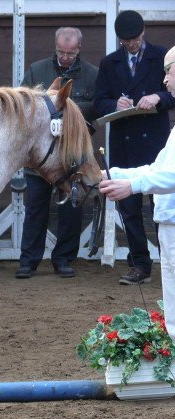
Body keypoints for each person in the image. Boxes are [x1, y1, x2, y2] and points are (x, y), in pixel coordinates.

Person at [99, 45, 175, 361]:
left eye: (169, 71)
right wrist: (110, 173)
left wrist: (131, 185)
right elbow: (158, 168)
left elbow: (169, 176)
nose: (166, 80)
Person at [94, 10, 175, 285]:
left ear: (144, 34)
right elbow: (98, 101)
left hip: (155, 140)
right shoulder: (109, 63)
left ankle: (168, 259)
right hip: (124, 139)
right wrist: (114, 104)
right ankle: (140, 264)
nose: (132, 44)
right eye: (126, 41)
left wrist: (157, 97)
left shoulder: (162, 55)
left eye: (136, 39)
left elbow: (171, 94)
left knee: (159, 202)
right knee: (128, 209)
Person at [15, 27, 98, 279]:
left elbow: (97, 105)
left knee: (72, 209)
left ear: (78, 49)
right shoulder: (36, 70)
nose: (64, 57)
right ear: (55, 47)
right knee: (35, 208)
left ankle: (63, 259)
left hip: (72, 156)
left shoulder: (93, 74)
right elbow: (22, 103)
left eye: (70, 53)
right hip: (40, 156)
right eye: (61, 52)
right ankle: (28, 261)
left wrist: (66, 108)